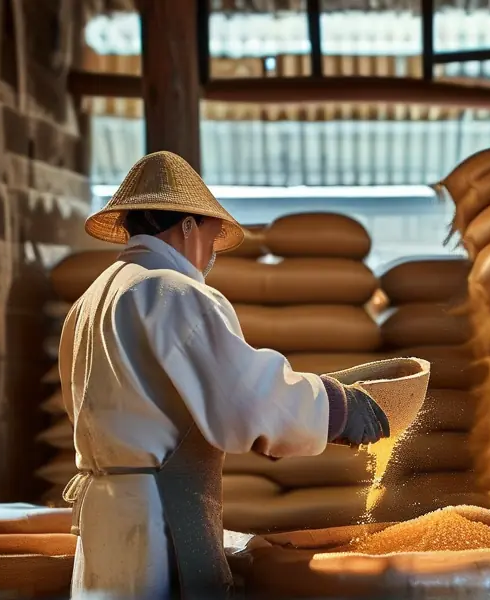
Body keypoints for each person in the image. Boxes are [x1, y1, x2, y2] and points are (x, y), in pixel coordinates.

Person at [58, 151, 390, 600]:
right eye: (213, 235)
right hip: (158, 518)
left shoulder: (90, 301)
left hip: (105, 521)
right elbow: (245, 398)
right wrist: (336, 408)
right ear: (188, 226)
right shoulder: (171, 290)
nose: (213, 251)